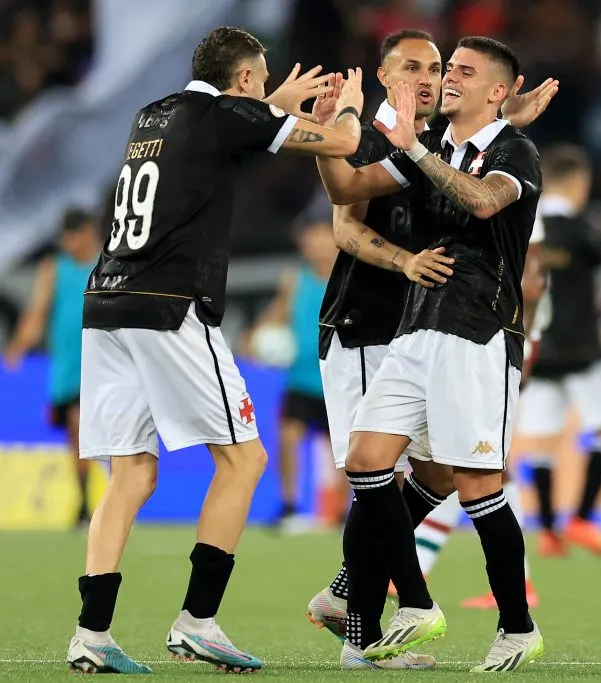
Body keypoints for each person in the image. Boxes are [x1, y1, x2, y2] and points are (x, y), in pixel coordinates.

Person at [65, 25, 366, 674]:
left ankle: (91, 634)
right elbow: (341, 142)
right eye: (261, 80)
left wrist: (270, 104)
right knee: (243, 460)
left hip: (107, 302)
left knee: (132, 475)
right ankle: (197, 621)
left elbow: (227, 129)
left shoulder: (157, 113)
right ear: (247, 79)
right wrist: (350, 106)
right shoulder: (228, 114)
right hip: (170, 304)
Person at [305, 30, 555, 669]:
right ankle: (413, 603)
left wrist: (414, 143)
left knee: (473, 483)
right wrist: (320, 129)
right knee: (367, 460)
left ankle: (517, 626)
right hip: (414, 331)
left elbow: (479, 200)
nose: (449, 76)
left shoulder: (514, 150)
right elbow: (348, 189)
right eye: (448, 68)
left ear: (497, 91)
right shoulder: (436, 144)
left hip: (477, 331)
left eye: (463, 71)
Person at [511, 144, 601, 558]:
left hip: (537, 348)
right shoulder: (584, 229)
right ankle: (582, 518)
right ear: (578, 183)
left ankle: (550, 532)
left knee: (541, 441)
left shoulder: (527, 227)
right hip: (581, 347)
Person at [4, 208, 100, 530]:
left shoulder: (107, 264)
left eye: (76, 234)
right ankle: (85, 503)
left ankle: (94, 505)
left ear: (89, 231)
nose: (71, 242)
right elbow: (37, 312)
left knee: (82, 427)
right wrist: (18, 347)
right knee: (75, 435)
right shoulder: (54, 268)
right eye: (66, 236)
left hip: (102, 365)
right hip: (68, 368)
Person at [245, 218, 337, 532]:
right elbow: (278, 314)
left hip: (337, 379)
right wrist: (256, 335)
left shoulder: (348, 277)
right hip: (300, 379)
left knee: (345, 449)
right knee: (288, 437)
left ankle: (342, 512)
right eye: (311, 241)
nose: (317, 246)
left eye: (322, 238)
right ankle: (289, 507)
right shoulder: (295, 280)